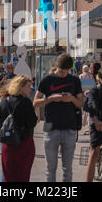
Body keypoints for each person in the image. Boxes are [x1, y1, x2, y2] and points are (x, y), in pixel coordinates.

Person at [33, 53, 84, 182]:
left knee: (68, 168)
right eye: (62, 71)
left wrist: (71, 98)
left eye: (67, 71)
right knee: (50, 169)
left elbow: (81, 104)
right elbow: (35, 102)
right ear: (56, 66)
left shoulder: (74, 80)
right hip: (51, 129)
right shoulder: (47, 80)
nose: (64, 73)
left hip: (70, 128)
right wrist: (50, 99)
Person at [0, 75, 38, 182]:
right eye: (28, 86)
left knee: (8, 177)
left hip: (7, 144)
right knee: (23, 177)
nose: (30, 89)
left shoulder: (4, 101)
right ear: (21, 87)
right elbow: (32, 122)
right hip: (24, 143)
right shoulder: (26, 102)